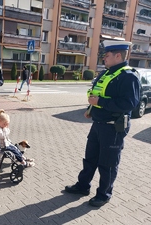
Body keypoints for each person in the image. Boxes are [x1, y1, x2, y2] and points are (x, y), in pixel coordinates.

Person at [65, 40, 140, 207]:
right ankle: (83, 186)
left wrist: (101, 102)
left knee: (108, 163)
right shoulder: (106, 73)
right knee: (90, 158)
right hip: (98, 123)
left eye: (106, 56)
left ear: (118, 56)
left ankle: (104, 194)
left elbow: (130, 104)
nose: (104, 59)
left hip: (114, 127)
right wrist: (90, 108)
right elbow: (96, 94)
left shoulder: (128, 76)